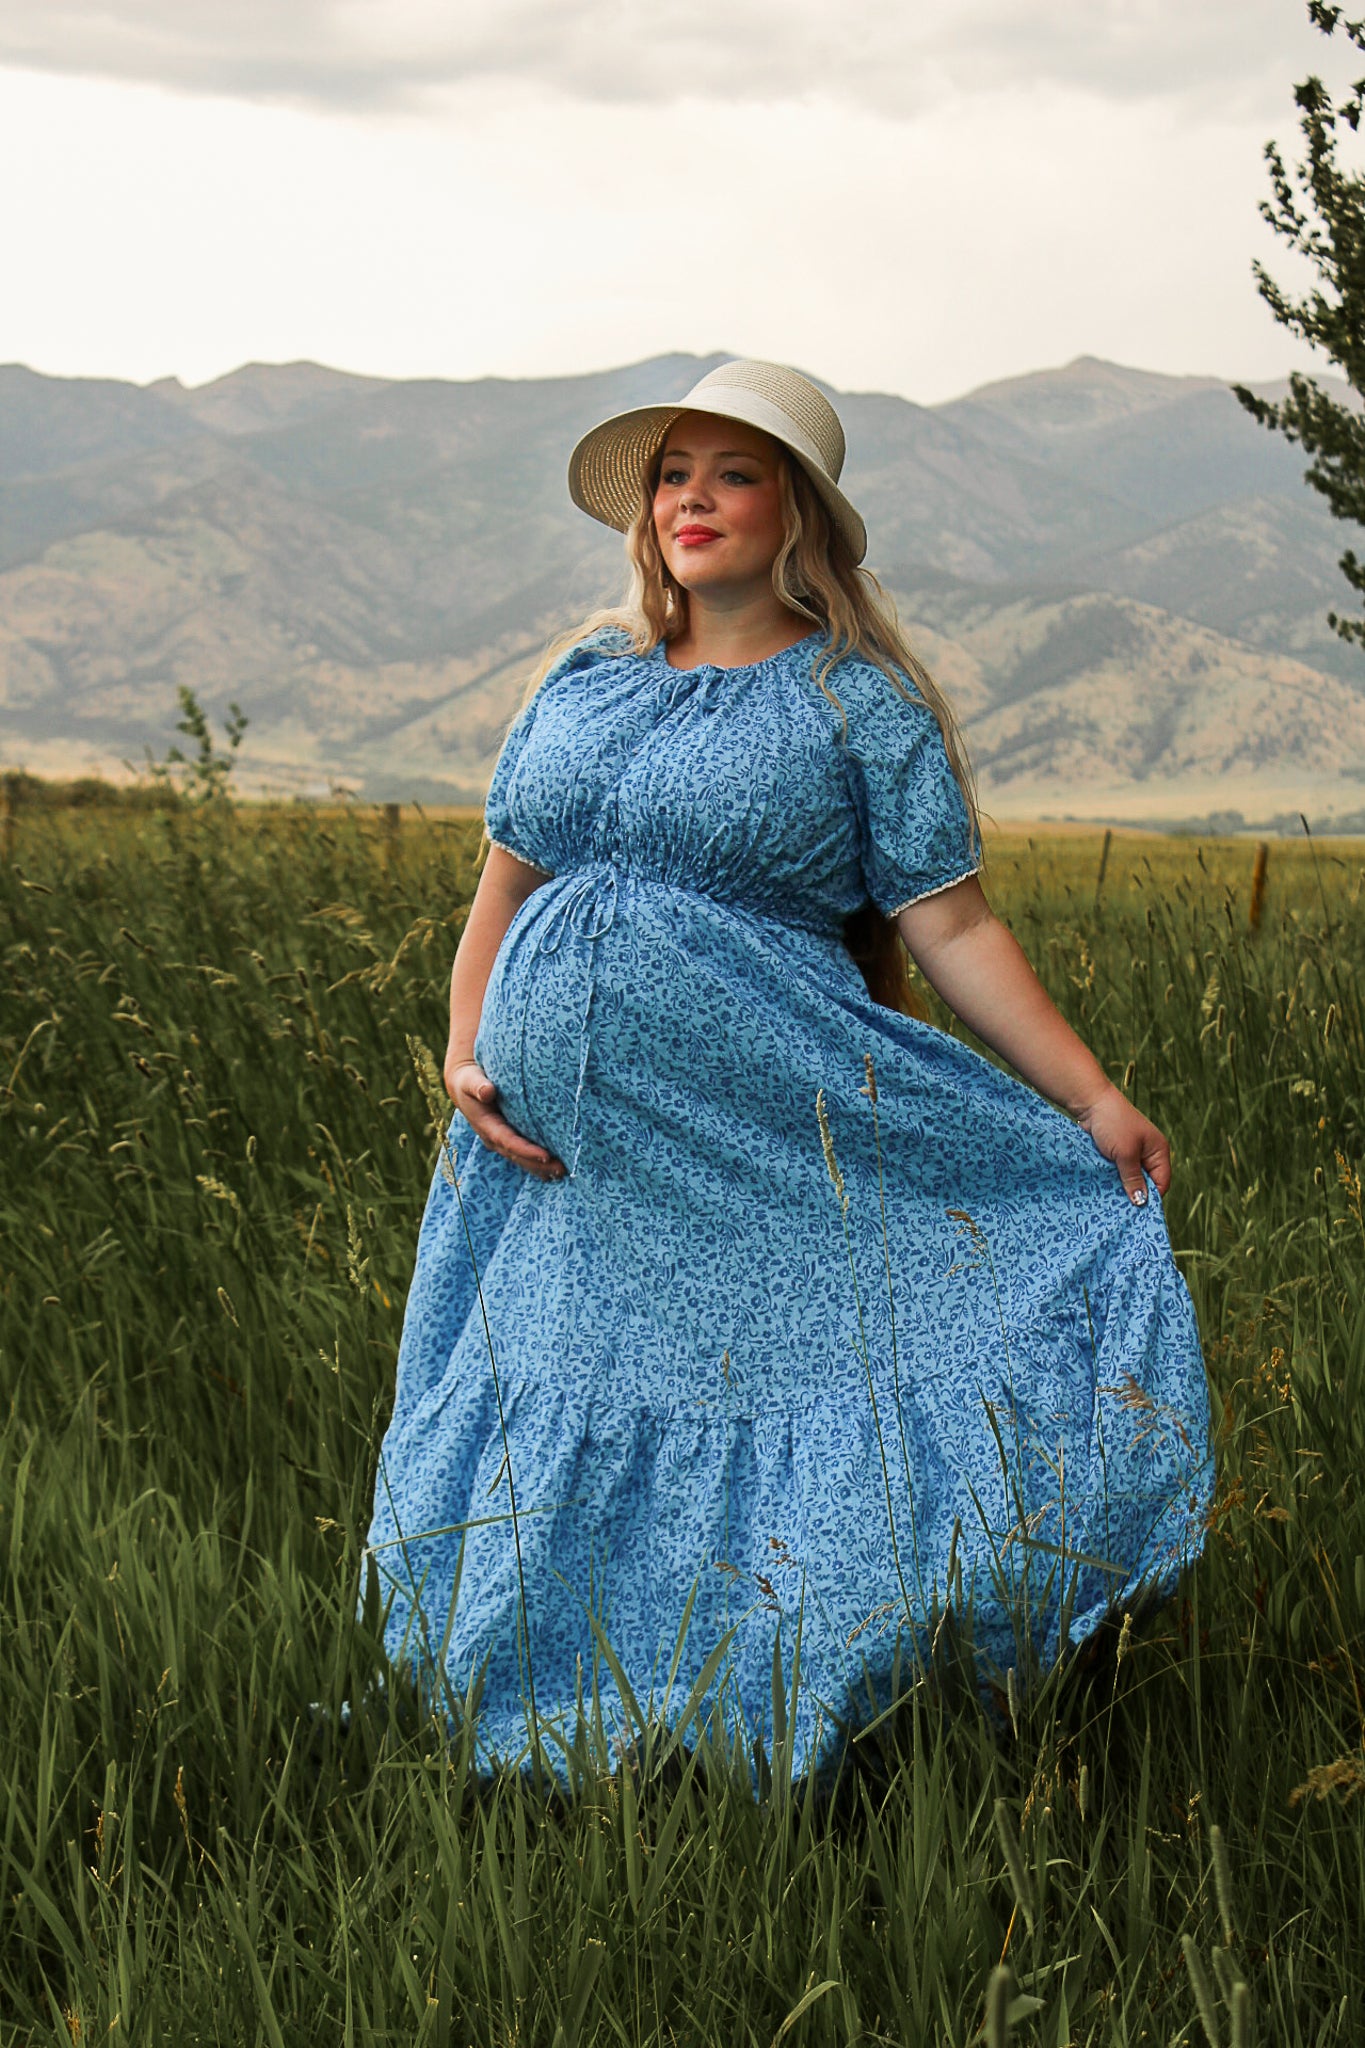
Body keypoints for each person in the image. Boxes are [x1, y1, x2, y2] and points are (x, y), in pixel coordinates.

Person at [363, 358, 1212, 1778]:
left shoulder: (854, 702)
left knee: (769, 1382)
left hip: (760, 1123)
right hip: (566, 1155)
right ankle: (568, 1703)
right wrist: (465, 1043)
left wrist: (1090, 1099)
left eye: (732, 471)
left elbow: (946, 919)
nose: (692, 498)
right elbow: (506, 876)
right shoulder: (585, 678)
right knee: (579, 1371)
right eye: (671, 474)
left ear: (798, 509)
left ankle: (798, 1692)